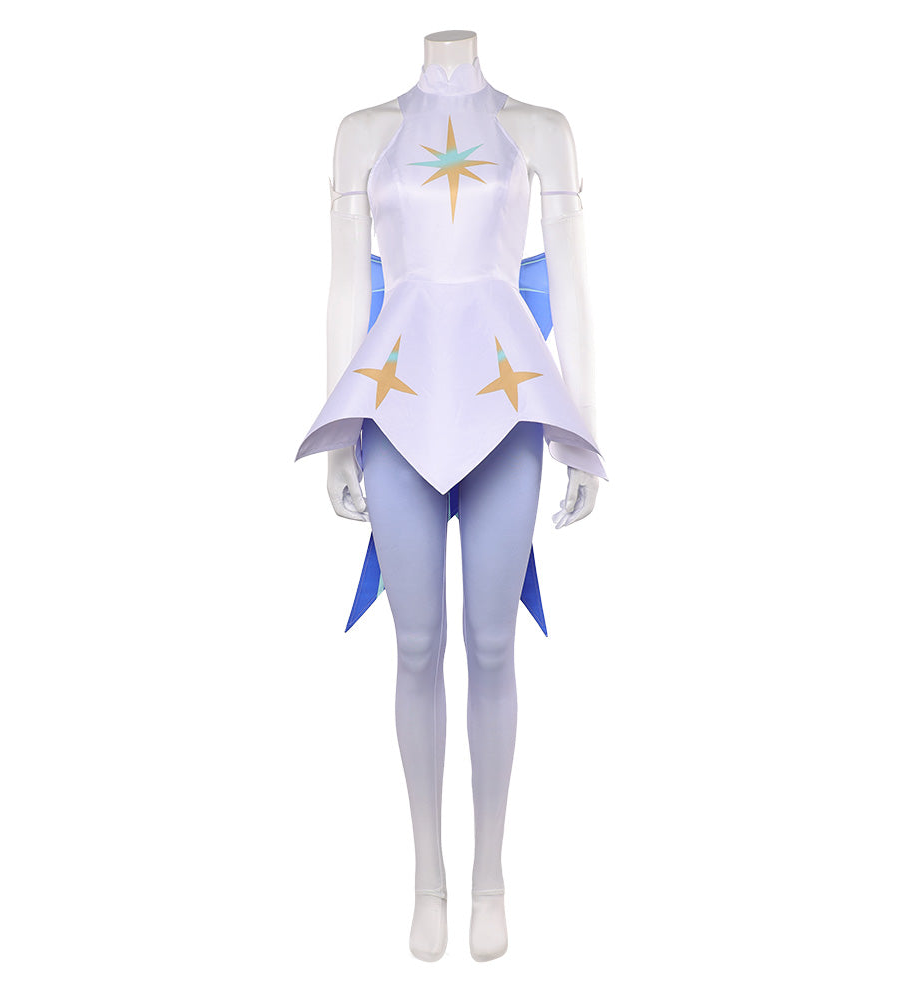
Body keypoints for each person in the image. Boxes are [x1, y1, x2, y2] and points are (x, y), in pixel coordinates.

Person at [295, 30, 606, 962]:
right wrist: (337, 434)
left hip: (506, 401)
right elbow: (345, 287)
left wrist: (584, 432)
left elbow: (574, 290)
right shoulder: (363, 133)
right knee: (416, 643)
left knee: (493, 643)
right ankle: (427, 877)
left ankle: (490, 878)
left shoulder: (540, 129)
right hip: (395, 402)